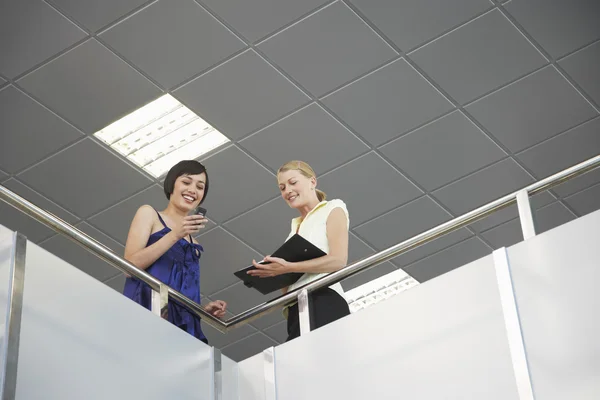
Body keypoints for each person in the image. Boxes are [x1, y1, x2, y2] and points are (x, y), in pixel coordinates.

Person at [122, 160, 226, 344]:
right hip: (148, 309)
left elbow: (181, 287)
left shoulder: (194, 242)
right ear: (172, 184)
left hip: (182, 327)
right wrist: (175, 234)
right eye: (186, 182)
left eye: (200, 187)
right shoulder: (149, 214)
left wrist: (201, 310)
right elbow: (129, 266)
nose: (193, 190)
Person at [247, 160, 350, 341]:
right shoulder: (293, 231)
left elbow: (338, 260)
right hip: (295, 308)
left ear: (312, 182)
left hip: (324, 297)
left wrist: (289, 267)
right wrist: (274, 271)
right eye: (282, 187)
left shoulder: (333, 208)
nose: (287, 191)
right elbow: (288, 286)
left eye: (293, 183)